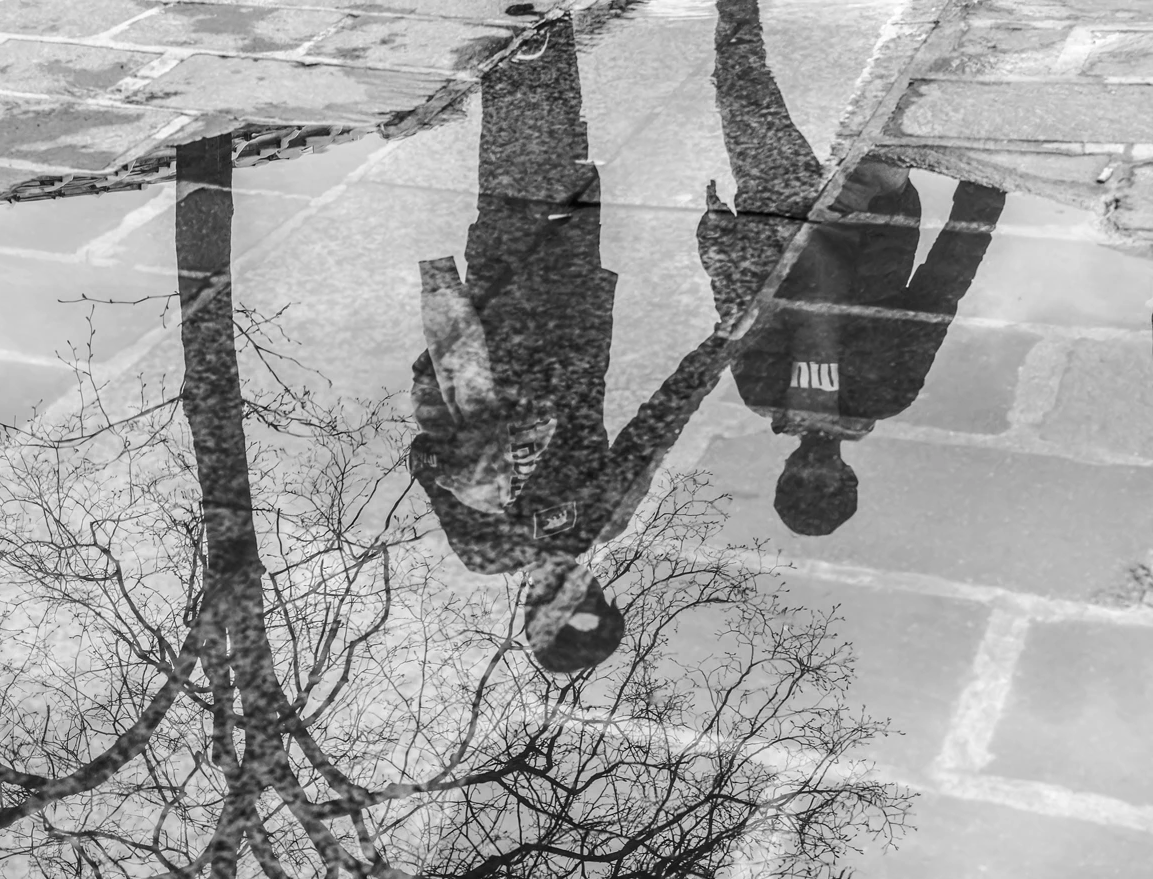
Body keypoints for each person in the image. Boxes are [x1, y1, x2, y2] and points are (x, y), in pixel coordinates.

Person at [702, 0, 1006, 535]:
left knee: (744, 97)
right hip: (871, 213)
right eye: (828, 485)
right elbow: (938, 294)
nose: (815, 474)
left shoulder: (763, 395)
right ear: (848, 478)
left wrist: (720, 244)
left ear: (785, 474)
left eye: (801, 484)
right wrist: (983, 191)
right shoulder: (885, 396)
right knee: (905, 85)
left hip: (781, 220)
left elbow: (739, 310)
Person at [410, 16, 630, 672]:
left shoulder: (486, 551)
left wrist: (487, 459)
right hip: (571, 320)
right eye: (585, 599)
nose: (565, 590)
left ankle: (519, 50)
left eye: (551, 611)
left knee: (512, 194)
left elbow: (425, 457)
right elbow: (595, 419)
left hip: (496, 341)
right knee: (564, 168)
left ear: (533, 614)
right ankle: (543, 39)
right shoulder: (599, 519)